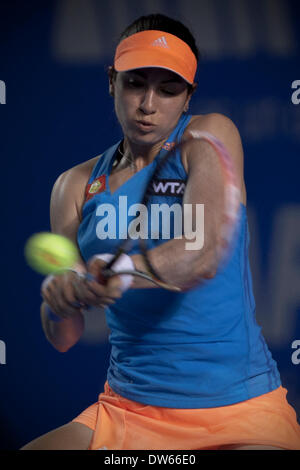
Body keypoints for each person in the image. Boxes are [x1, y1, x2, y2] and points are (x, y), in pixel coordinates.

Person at [21, 13, 300, 451]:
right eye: (135, 83)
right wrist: (60, 299)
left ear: (187, 99)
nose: (149, 104)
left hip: (240, 411)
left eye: (168, 89)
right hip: (127, 411)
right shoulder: (73, 187)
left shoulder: (209, 136)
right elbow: (64, 337)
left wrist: (123, 270)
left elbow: (203, 252)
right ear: (111, 81)